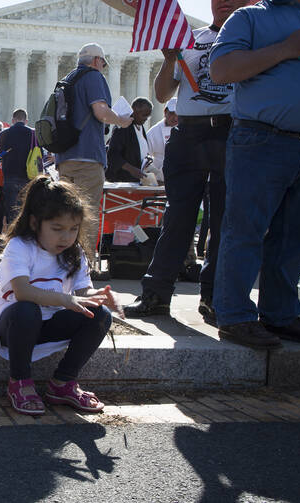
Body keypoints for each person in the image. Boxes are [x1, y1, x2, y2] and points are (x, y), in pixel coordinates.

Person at [123, 0, 249, 325]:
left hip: (231, 133)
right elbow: (163, 94)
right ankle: (156, 294)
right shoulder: (190, 39)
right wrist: (168, 61)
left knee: (223, 222)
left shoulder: (250, 36)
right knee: (176, 218)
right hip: (188, 134)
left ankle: (214, 298)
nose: (224, 2)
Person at [209, 0, 300, 347]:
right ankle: (235, 316)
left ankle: (281, 314)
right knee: (246, 229)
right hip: (262, 139)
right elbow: (221, 69)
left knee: (297, 237)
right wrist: (287, 48)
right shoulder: (250, 17)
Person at [0, 176, 123, 416]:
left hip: (48, 325)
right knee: (27, 309)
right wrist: (66, 300)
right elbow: (23, 292)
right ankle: (20, 382)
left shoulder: (74, 252)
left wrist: (98, 296)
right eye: (57, 229)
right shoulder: (20, 246)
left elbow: (82, 293)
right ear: (36, 223)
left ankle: (62, 384)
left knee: (100, 315)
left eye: (73, 229)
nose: (66, 237)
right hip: (12, 326)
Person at [55, 43, 133, 269]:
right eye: (104, 63)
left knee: (65, 213)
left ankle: (62, 263)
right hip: (87, 156)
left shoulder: (68, 79)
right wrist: (120, 120)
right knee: (86, 214)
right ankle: (83, 267)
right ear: (97, 60)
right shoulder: (93, 77)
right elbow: (100, 111)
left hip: (65, 158)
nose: (104, 67)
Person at [0, 108, 35, 228]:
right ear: (26, 121)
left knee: (12, 212)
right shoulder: (33, 133)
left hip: (10, 176)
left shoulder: (4, 134)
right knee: (26, 210)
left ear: (13, 120)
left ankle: (13, 239)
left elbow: (0, 153)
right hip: (28, 177)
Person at [106, 97, 153, 182]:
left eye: (148, 116)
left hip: (136, 181)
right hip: (122, 180)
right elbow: (112, 154)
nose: (146, 118)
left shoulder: (140, 126)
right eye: (144, 115)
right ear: (134, 112)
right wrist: (132, 169)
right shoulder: (123, 127)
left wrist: (146, 159)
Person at [146, 97, 178, 183]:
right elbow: (145, 158)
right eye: (172, 114)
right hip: (160, 179)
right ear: (165, 112)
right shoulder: (153, 133)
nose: (175, 118)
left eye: (178, 114)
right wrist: (157, 174)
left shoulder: (187, 129)